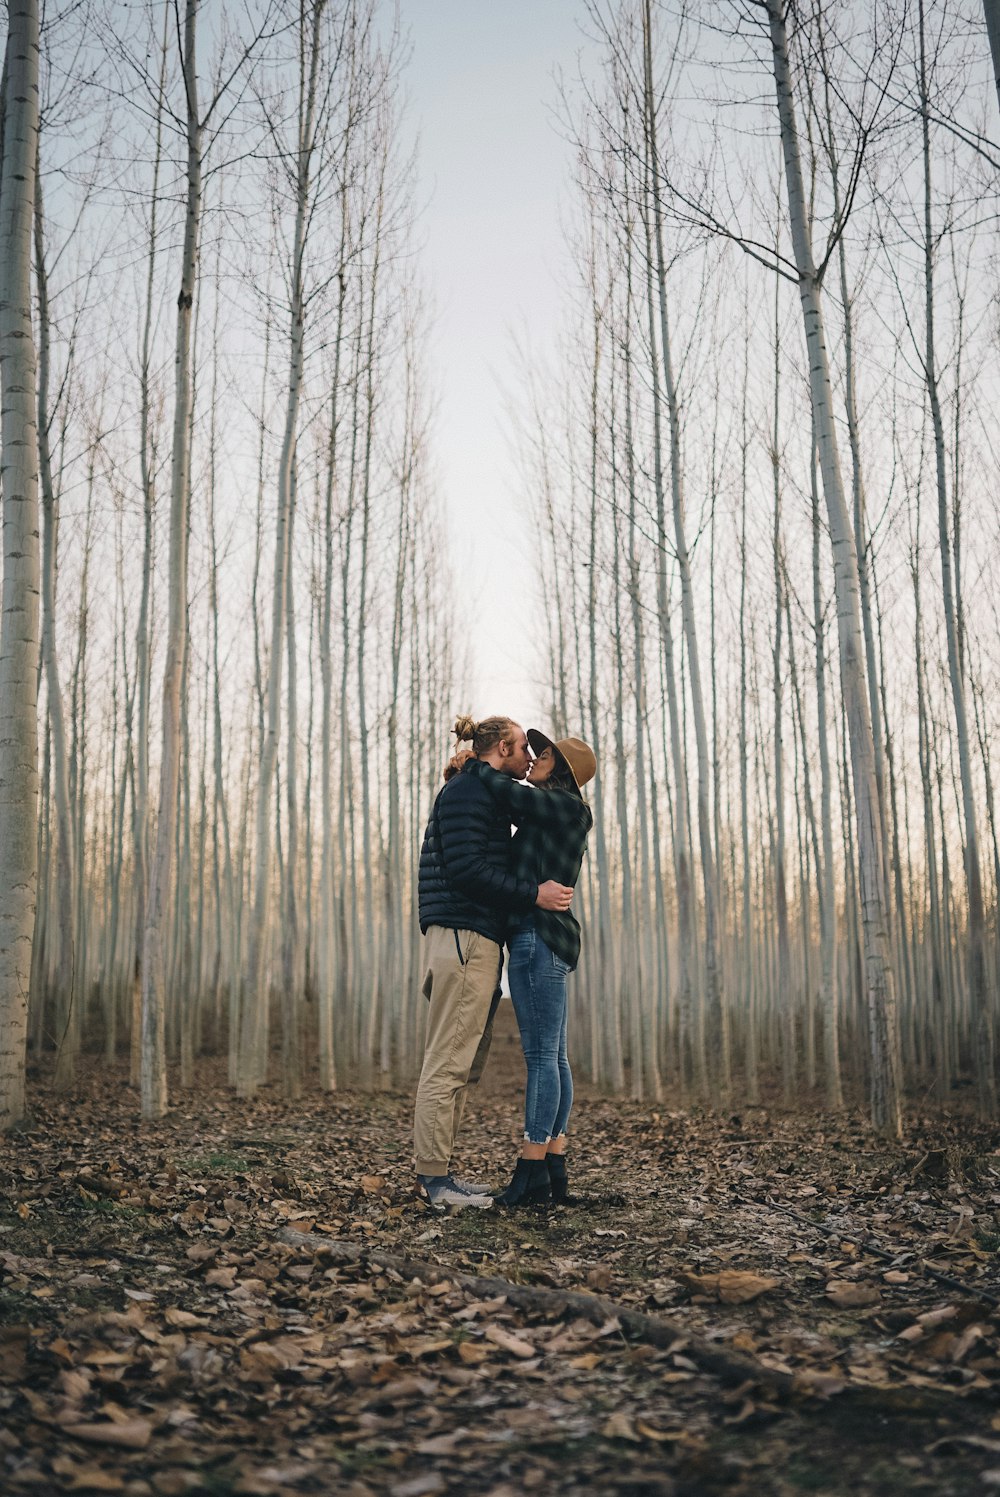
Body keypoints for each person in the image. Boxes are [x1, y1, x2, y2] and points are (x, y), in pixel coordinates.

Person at [413, 715, 574, 1210]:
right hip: (464, 938)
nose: (529, 757)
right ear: (504, 747)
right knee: (448, 1064)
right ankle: (435, 1183)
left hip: (473, 940)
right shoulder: (469, 792)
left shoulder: (480, 791)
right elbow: (467, 869)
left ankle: (442, 1176)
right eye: (526, 746)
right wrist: (533, 893)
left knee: (463, 1065)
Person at [464, 730, 596, 1207]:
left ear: (562, 770)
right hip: (546, 939)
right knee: (555, 1058)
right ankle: (554, 1168)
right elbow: (511, 806)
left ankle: (530, 1170)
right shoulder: (553, 812)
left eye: (545, 754)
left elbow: (505, 792)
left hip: (538, 938)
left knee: (542, 1059)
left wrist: (475, 765)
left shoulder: (565, 806)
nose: (535, 757)